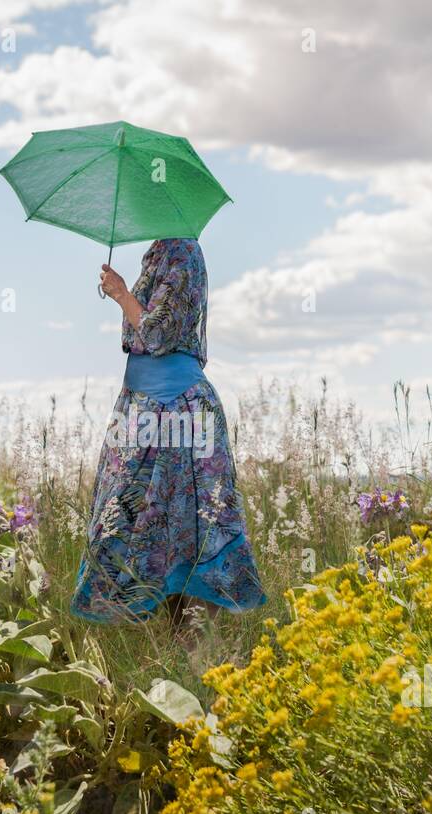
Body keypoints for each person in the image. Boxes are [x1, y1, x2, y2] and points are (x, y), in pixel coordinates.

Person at [70, 237, 266, 641]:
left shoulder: (184, 253)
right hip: (142, 407)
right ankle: (151, 647)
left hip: (178, 410)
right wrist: (122, 294)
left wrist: (123, 294)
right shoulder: (158, 252)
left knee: (190, 525)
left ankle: (191, 648)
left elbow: (158, 335)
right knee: (126, 517)